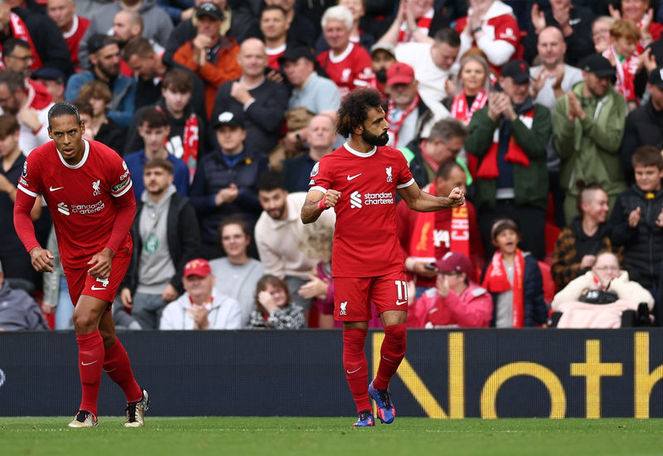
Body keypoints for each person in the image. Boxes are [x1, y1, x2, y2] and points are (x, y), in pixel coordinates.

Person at [300, 88, 464, 427]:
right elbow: (306, 213)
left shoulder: (394, 159)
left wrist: (446, 202)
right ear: (358, 126)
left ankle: (381, 387)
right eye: (378, 121)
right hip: (350, 266)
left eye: (384, 117)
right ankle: (363, 411)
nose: (386, 125)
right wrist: (323, 202)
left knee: (398, 332)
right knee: (355, 337)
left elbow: (415, 199)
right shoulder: (330, 164)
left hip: (389, 262)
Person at [13, 102, 148, 427]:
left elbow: (128, 207)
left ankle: (88, 411)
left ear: (83, 128)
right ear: (49, 134)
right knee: (104, 335)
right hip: (73, 259)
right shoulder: (38, 161)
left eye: (72, 132)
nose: (66, 140)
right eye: (59, 134)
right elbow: (20, 211)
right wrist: (33, 248)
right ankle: (135, 398)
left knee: (83, 318)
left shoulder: (108, 159)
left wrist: (109, 251)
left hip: (110, 254)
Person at [464, 59, 551, 260]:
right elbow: (474, 147)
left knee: (531, 263)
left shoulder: (540, 113)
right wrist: (491, 119)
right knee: (495, 263)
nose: (522, 88)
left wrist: (513, 117)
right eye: (516, 83)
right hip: (492, 204)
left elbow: (537, 147)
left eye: (525, 83)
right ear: (502, 82)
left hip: (529, 204)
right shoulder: (483, 115)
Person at [119, 158, 200, 329]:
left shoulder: (182, 207)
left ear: (170, 178)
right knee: (141, 343)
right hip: (140, 292)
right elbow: (127, 250)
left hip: (169, 291)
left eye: (158, 173)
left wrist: (176, 284)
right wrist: (125, 286)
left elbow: (191, 249)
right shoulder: (136, 209)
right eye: (148, 174)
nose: (152, 178)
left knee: (170, 343)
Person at [553, 53, 627, 224]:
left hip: (610, 188)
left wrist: (583, 117)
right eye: (600, 78)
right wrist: (570, 124)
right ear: (585, 74)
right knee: (573, 238)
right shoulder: (564, 103)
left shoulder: (617, 100)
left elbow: (613, 142)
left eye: (608, 78)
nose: (605, 82)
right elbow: (561, 150)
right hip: (575, 189)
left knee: (611, 239)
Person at [397, 160, 483, 296]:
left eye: (465, 185)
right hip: (419, 286)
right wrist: (413, 265)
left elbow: (474, 251)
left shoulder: (468, 209)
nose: (464, 191)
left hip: (456, 288)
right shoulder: (409, 206)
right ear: (441, 182)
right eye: (458, 185)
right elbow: (393, 243)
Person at [189, 110, 268, 259]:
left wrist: (240, 195)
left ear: (243, 134)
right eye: (222, 131)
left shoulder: (259, 161)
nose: (227, 135)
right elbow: (192, 203)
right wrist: (214, 200)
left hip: (250, 239)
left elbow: (267, 202)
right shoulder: (206, 162)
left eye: (232, 130)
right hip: (213, 239)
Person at [255, 169, 335, 311]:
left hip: (331, 266)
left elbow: (339, 227)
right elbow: (275, 273)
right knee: (293, 312)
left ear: (285, 194)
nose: (272, 205)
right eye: (265, 200)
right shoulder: (261, 230)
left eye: (276, 198)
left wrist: (325, 271)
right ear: (259, 200)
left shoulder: (308, 204)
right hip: (297, 275)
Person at [208, 38, 288, 157]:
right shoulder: (226, 89)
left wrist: (247, 100)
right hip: (227, 159)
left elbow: (272, 123)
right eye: (248, 57)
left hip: (264, 160)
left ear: (266, 60)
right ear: (239, 59)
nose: (253, 61)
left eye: (258, 57)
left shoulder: (277, 89)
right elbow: (213, 129)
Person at [173, 2, 241, 118]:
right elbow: (178, 82)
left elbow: (232, 84)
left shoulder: (232, 49)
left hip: (223, 113)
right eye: (202, 20)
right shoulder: (184, 51)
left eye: (211, 20)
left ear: (220, 22)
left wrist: (205, 67)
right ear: (196, 23)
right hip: (189, 114)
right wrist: (196, 56)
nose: (206, 25)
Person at [609, 145, 663, 294]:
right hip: (635, 276)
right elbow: (614, 238)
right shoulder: (624, 198)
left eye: (649, 173)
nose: (644, 178)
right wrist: (629, 226)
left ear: (661, 172)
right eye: (639, 173)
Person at [551, 251, 654, 328]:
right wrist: (588, 279)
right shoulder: (584, 282)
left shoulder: (627, 284)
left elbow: (646, 303)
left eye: (613, 268)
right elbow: (557, 302)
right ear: (594, 269)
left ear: (619, 269)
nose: (609, 272)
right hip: (579, 334)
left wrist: (614, 285)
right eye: (604, 268)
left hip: (618, 335)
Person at [0, 114, 42, 292]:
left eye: (3, 139)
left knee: (19, 302)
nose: (0, 144)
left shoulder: (29, 166)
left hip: (19, 250)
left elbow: (35, 213)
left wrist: (10, 189)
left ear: (16, 135)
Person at [481, 218, 548, 328]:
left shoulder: (530, 264)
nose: (508, 237)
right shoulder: (490, 267)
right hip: (497, 326)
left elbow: (537, 296)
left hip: (524, 326)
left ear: (518, 238)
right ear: (495, 241)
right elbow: (485, 298)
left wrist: (543, 320)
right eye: (503, 235)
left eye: (512, 233)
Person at [123, 36, 206, 120]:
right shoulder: (143, 80)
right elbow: (139, 115)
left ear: (151, 57)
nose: (136, 73)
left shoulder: (186, 77)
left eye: (138, 68)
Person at [77, 0, 173, 71]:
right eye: (115, 25)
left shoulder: (160, 16)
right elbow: (84, 48)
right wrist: (95, 74)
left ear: (137, 29)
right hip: (106, 81)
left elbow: (170, 52)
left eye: (120, 25)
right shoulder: (101, 15)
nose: (115, 30)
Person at [551, 183, 614, 291]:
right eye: (601, 204)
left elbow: (619, 270)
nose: (607, 208)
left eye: (607, 204)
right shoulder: (568, 235)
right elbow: (556, 274)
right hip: (572, 294)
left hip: (605, 293)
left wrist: (601, 268)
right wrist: (580, 267)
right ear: (585, 206)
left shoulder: (611, 234)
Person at [65, 35, 136, 129]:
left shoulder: (128, 83)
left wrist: (99, 114)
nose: (116, 61)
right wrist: (109, 115)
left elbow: (130, 119)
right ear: (94, 59)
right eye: (108, 57)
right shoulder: (78, 81)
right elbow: (75, 115)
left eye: (117, 54)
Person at [410, 251, 492, 328]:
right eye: (438, 272)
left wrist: (449, 297)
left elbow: (475, 324)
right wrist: (409, 305)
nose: (439, 277)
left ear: (462, 277)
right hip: (433, 339)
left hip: (467, 339)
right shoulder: (429, 296)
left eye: (445, 273)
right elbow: (412, 328)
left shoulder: (478, 296)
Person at [391, 28, 461, 116]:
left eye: (454, 57)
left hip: (439, 111)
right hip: (406, 105)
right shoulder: (410, 52)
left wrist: (454, 94)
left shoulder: (458, 70)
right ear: (434, 46)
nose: (450, 62)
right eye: (445, 57)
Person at [209, 217, 265, 327]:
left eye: (237, 236)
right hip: (215, 332)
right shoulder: (211, 267)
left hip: (251, 332)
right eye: (226, 238)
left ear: (247, 240)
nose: (232, 242)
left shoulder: (262, 270)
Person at [159, 257, 243, 329]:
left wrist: (206, 326)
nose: (196, 283)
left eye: (200, 278)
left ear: (212, 280)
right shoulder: (171, 310)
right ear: (184, 283)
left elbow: (232, 342)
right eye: (191, 279)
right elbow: (167, 342)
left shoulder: (231, 306)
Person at [124, 108, 189, 199]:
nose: (153, 138)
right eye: (148, 132)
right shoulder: (128, 164)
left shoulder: (180, 167)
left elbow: (182, 204)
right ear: (141, 131)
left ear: (167, 130)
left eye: (158, 132)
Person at [316, 5, 374, 99]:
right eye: (329, 30)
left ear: (349, 31)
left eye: (339, 29)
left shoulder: (360, 55)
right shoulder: (320, 59)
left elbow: (364, 96)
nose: (334, 35)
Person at [454, 0, 521, 73]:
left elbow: (499, 58)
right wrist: (467, 33)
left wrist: (477, 30)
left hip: (497, 77)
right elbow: (453, 60)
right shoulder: (461, 22)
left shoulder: (507, 20)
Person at [621, 67, 663, 180]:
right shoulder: (635, 118)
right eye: (662, 90)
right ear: (650, 87)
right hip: (646, 184)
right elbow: (628, 161)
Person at [404, 117, 469, 189]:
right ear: (437, 142)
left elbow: (470, 191)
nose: (456, 156)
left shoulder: (458, 162)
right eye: (453, 151)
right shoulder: (404, 157)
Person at [525, 0, 596, 66]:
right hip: (550, 69)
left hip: (579, 68)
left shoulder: (585, 15)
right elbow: (528, 58)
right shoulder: (543, 19)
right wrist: (540, 31)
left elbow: (589, 52)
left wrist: (565, 27)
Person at [0, 69, 54, 155]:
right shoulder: (3, 109)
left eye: (3, 100)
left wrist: (38, 128)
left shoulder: (48, 111)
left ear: (19, 92)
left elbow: (60, 148)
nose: (1, 105)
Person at [384, 62, 433, 149]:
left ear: (416, 84)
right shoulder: (377, 110)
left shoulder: (431, 111)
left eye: (404, 85)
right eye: (395, 86)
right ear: (387, 88)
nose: (400, 90)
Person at [282, 114, 336, 193]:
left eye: (325, 129)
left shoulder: (345, 165)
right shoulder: (290, 167)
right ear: (308, 137)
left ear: (334, 136)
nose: (320, 133)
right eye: (315, 129)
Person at [603, 18, 644, 110]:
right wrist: (612, 69)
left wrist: (639, 72)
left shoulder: (638, 60)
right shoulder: (605, 58)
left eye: (635, 43)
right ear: (614, 40)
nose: (633, 48)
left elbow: (641, 90)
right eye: (629, 44)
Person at [74, 81, 125, 153]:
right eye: (88, 99)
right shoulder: (74, 126)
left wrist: (92, 145)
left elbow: (114, 159)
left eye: (97, 98)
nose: (92, 102)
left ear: (106, 103)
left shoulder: (115, 132)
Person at [0, 258, 50, 331]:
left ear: (1, 276)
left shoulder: (22, 299)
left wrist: (8, 335)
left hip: (18, 336)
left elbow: (43, 334)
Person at [47, 0, 90, 71]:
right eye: (53, 9)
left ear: (73, 8)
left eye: (61, 8)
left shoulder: (87, 27)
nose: (57, 14)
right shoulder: (45, 31)